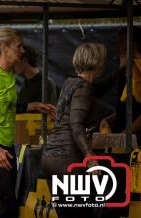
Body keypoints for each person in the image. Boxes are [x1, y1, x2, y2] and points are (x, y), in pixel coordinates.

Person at [0, 28, 55, 217]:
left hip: (7, 146)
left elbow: (8, 107)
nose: (23, 51)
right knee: (5, 208)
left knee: (9, 206)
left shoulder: (9, 75)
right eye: (19, 46)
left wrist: (36, 106)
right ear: (4, 47)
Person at [41, 43, 106, 218]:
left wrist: (122, 70)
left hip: (51, 157)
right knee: (80, 214)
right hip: (67, 160)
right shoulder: (84, 87)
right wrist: (91, 158)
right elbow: (76, 124)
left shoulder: (71, 82)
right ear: (98, 63)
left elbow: (99, 89)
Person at [99, 27, 141, 144]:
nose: (118, 45)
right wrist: (108, 119)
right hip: (123, 137)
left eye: (122, 41)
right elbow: (128, 107)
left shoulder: (138, 70)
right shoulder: (125, 69)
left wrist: (123, 135)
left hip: (136, 141)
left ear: (134, 44)